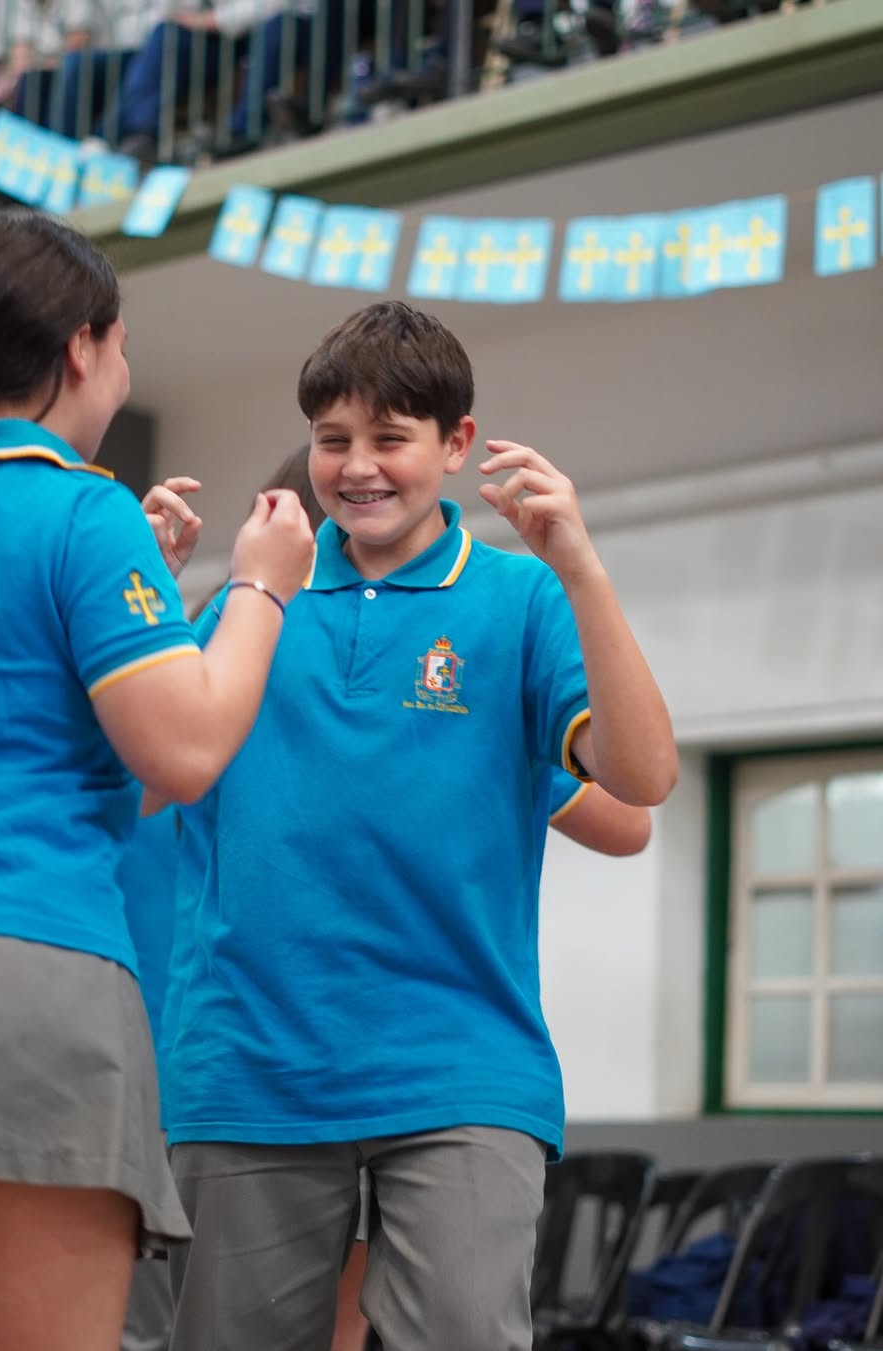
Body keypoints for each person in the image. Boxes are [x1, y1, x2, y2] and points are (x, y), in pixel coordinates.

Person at [0, 210, 313, 1351]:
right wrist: (258, 589)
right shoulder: (84, 510)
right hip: (23, 980)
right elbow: (181, 755)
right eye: (123, 348)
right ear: (80, 349)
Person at [159, 300, 676, 1351]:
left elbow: (643, 780)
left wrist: (580, 566)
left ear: (456, 444)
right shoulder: (251, 605)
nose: (358, 467)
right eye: (333, 439)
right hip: (248, 1066)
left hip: (460, 1068)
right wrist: (141, 597)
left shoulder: (519, 599)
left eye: (390, 438)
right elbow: (116, 775)